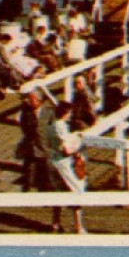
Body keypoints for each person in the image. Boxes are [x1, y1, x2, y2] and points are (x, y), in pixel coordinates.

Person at [45, 100, 86, 233]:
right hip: (62, 162)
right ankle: (78, 226)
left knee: (58, 192)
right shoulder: (61, 125)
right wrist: (78, 144)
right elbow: (67, 149)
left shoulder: (50, 125)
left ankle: (55, 223)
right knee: (76, 189)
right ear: (66, 113)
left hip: (52, 160)